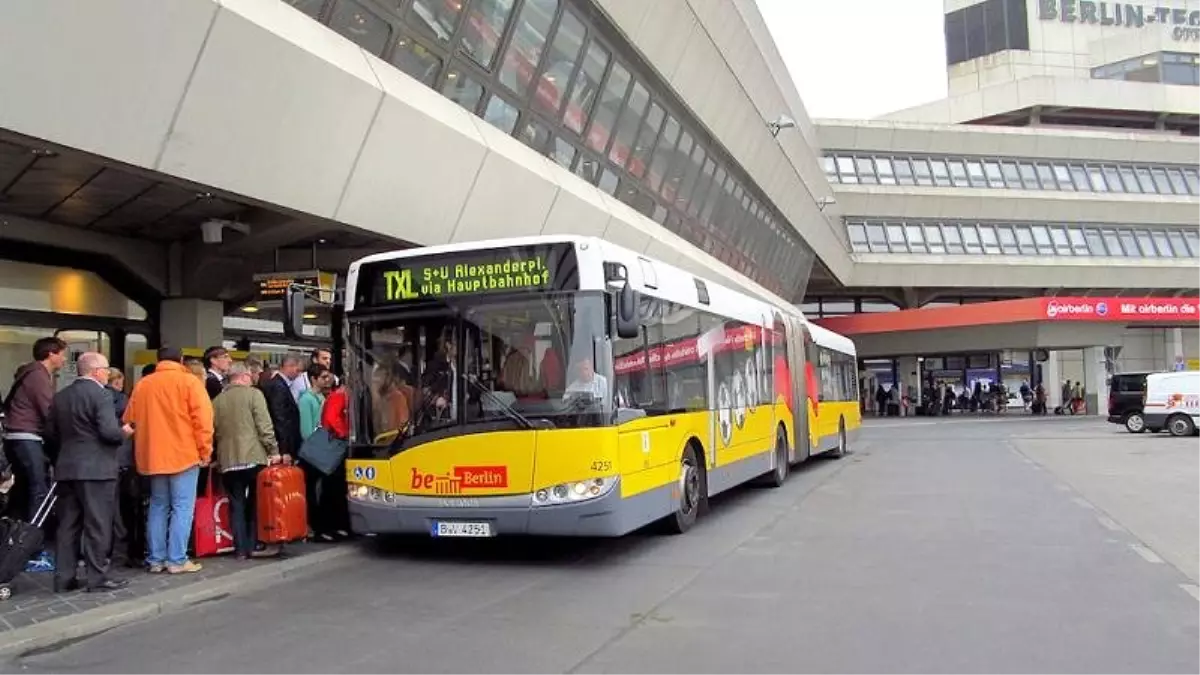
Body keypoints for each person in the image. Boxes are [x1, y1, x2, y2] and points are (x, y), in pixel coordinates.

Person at [47, 352, 133, 593]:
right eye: (106, 369)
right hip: (97, 469)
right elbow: (109, 432)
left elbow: (50, 433)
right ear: (95, 371)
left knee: (67, 525)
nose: (108, 373)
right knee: (97, 524)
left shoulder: (61, 396)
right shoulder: (101, 394)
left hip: (67, 467)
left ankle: (64, 578)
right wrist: (123, 432)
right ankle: (97, 578)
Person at [122, 347, 213, 574]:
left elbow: (128, 420)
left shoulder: (143, 384)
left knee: (158, 505)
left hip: (152, 455)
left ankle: (156, 559)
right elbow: (203, 422)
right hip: (184, 453)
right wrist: (205, 451)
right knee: (182, 507)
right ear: (180, 360)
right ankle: (177, 559)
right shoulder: (189, 383)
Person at [2, 336, 67, 572]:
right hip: (27, 437)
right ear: (51, 354)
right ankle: (32, 550)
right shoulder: (38, 375)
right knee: (39, 493)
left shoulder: (27, 373)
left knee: (22, 494)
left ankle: (12, 544)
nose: (64, 358)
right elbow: (48, 411)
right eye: (62, 353)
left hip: (15, 438)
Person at [212, 363, 281, 560]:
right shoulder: (254, 395)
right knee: (255, 502)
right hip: (252, 457)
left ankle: (240, 549)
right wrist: (273, 450)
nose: (252, 379)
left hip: (227, 460)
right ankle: (253, 544)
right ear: (242, 377)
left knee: (236, 503)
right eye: (250, 376)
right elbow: (264, 425)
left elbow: (213, 431)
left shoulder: (217, 401)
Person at [106, 367, 141, 568]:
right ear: (118, 382)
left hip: (105, 460)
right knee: (128, 507)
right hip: (125, 459)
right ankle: (130, 551)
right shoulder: (123, 400)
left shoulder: (97, 400)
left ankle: (106, 550)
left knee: (105, 507)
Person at [261, 356, 303, 459]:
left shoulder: (278, 384)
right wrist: (284, 449)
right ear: (289, 367)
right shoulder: (278, 386)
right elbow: (279, 417)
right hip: (282, 443)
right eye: (298, 370)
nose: (299, 374)